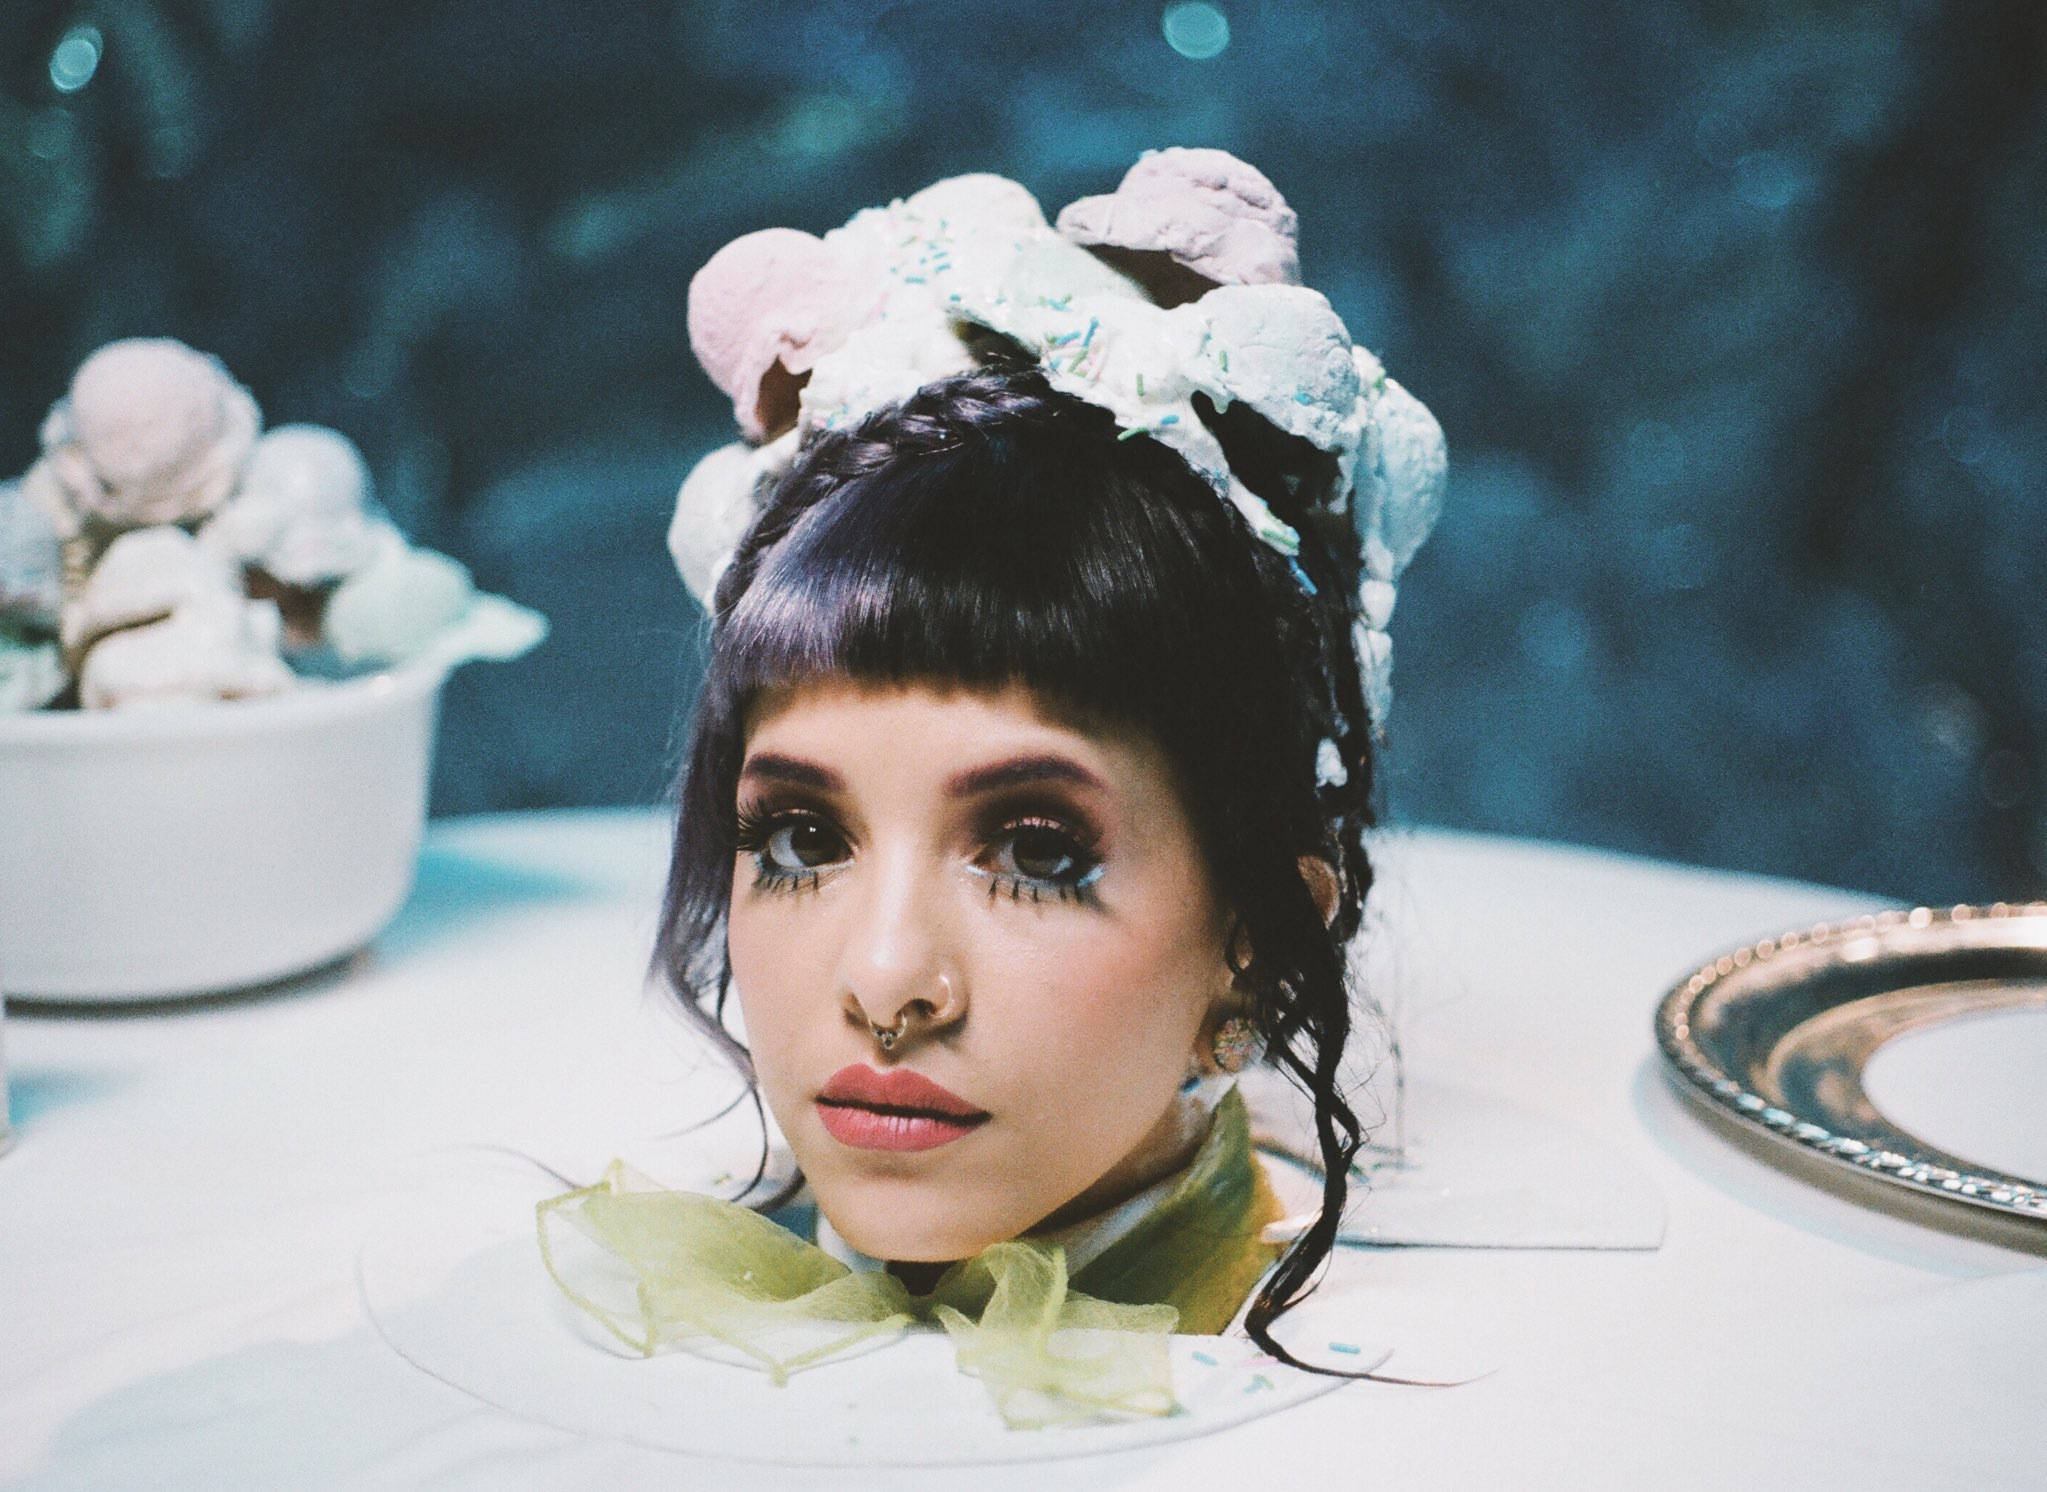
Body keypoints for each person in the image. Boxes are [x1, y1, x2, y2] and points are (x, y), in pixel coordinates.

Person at [542, 151, 1445, 1423]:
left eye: (1034, 851)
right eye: (799, 838)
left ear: (1255, 944)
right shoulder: (592, 1368)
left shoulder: (1417, 1423)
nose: (885, 981)